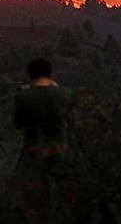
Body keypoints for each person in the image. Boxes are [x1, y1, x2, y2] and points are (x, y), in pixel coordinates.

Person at [12, 58, 73, 219]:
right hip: (61, 151)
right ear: (50, 73)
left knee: (30, 198)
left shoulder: (24, 97)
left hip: (34, 152)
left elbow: (18, 124)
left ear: (30, 75)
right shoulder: (65, 94)